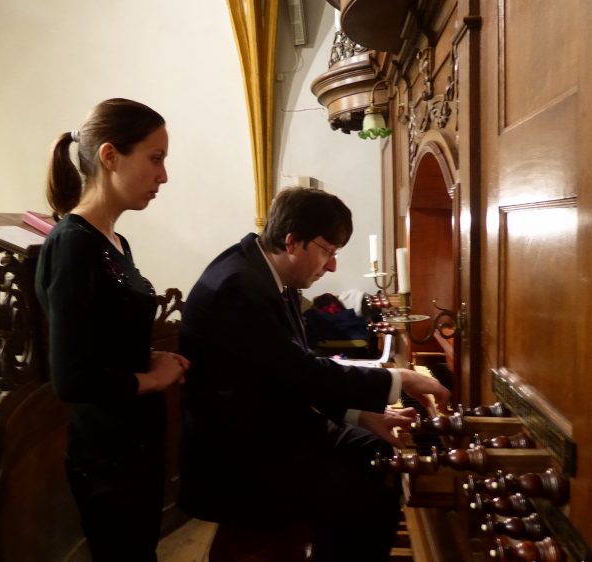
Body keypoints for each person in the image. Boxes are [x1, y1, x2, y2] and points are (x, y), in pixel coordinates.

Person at [178, 187, 451, 561]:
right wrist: (400, 380)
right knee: (366, 490)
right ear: (292, 242)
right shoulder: (238, 287)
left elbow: (288, 372)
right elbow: (301, 372)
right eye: (328, 251)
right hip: (239, 460)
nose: (333, 265)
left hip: (268, 429)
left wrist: (360, 414)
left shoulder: (271, 275)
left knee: (379, 452)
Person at [35, 98, 189, 562]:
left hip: (135, 446)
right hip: (106, 457)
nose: (163, 176)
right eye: (155, 158)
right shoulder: (71, 244)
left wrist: (148, 360)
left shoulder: (116, 241)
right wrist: (151, 378)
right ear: (109, 156)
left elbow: (109, 337)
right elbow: (72, 377)